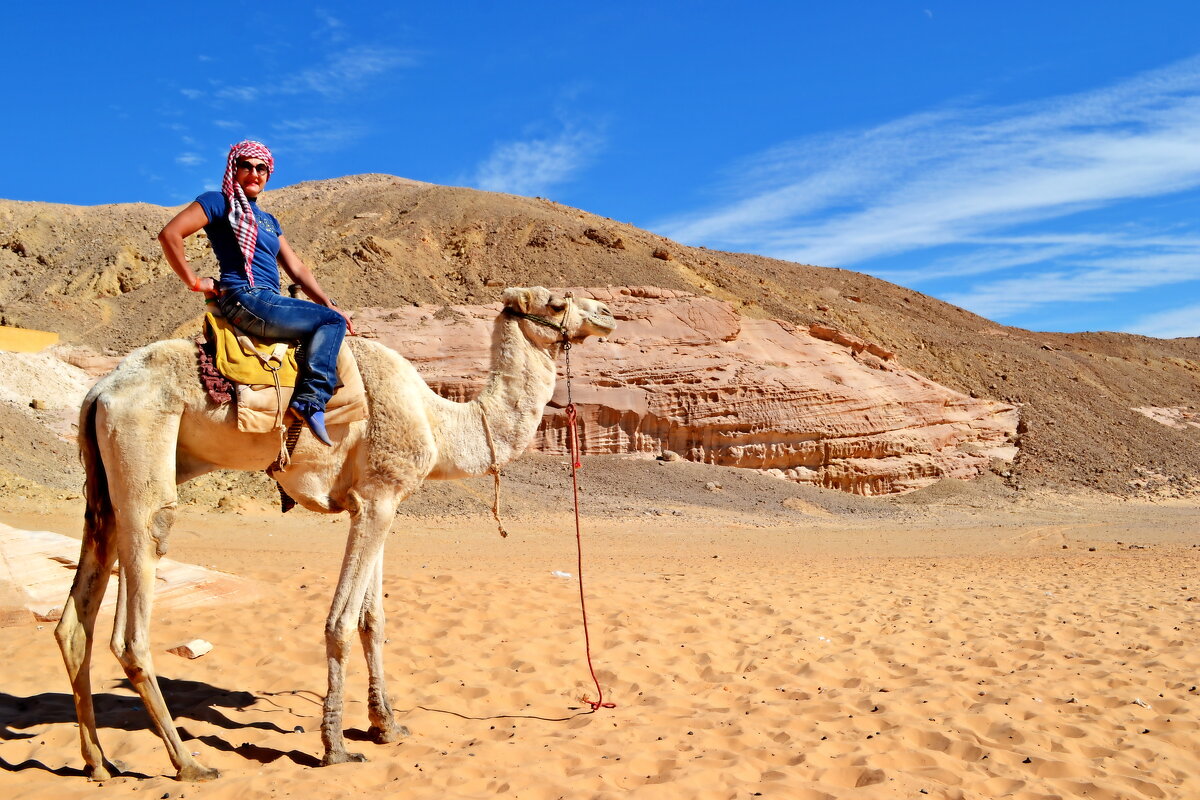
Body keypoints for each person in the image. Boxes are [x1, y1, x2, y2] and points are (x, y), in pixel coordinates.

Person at [158, 140, 353, 446]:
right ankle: (312, 400)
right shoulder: (218, 202)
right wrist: (195, 282)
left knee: (331, 316)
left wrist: (329, 303)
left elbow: (297, 269)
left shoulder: (269, 221)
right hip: (246, 296)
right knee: (330, 323)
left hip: (268, 299)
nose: (254, 172)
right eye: (246, 166)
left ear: (268, 174)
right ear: (233, 169)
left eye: (261, 168)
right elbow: (170, 234)